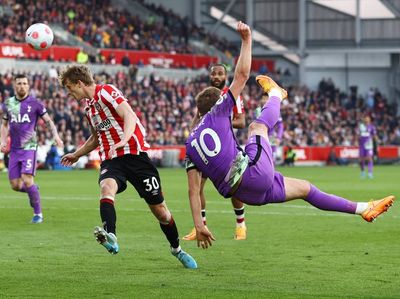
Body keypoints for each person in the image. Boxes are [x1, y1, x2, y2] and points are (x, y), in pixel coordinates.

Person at [184, 21, 395, 249]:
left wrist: (199, 224)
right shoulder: (219, 111)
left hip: (247, 194)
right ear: (216, 105)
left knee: (305, 188)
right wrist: (246, 39)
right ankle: (277, 94)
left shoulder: (189, 145)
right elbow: (242, 75)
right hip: (254, 175)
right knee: (257, 127)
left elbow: (193, 191)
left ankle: (364, 208)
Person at [58, 65, 197, 269]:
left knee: (161, 212)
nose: (69, 93)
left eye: (70, 87)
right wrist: (77, 154)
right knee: (106, 187)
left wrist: (124, 139)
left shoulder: (107, 91)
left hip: (135, 155)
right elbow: (96, 138)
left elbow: (129, 115)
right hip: (112, 158)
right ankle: (111, 235)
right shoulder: (89, 109)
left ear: (80, 83)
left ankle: (177, 249)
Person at [182, 63, 248, 241]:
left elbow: (241, 122)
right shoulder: (208, 96)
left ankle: (240, 225)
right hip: (205, 148)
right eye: (214, 74)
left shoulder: (231, 95)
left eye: (220, 74)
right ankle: (200, 227)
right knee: (198, 187)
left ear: (225, 76)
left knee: (234, 187)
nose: (217, 77)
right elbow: (197, 118)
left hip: (225, 148)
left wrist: (220, 120)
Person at [0, 74, 63, 223]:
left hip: (29, 148)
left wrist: (56, 136)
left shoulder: (36, 103)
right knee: (15, 185)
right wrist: (2, 140)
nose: (22, 86)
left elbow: (48, 121)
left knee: (27, 179)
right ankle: (33, 190)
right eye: (19, 83)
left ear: (28, 86)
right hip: (14, 150)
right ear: (15, 86)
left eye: (24, 83)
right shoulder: (8, 104)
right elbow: (4, 125)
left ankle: (38, 214)